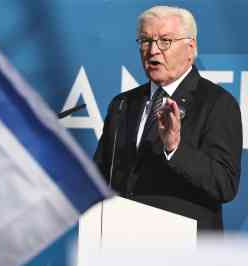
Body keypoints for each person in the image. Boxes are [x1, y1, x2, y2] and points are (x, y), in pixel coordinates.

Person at [94, 5, 242, 231]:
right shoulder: (123, 104)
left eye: (165, 41)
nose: (153, 50)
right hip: (122, 243)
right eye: (145, 40)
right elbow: (101, 175)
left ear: (190, 48)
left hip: (185, 250)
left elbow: (224, 185)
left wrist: (175, 148)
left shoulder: (217, 103)